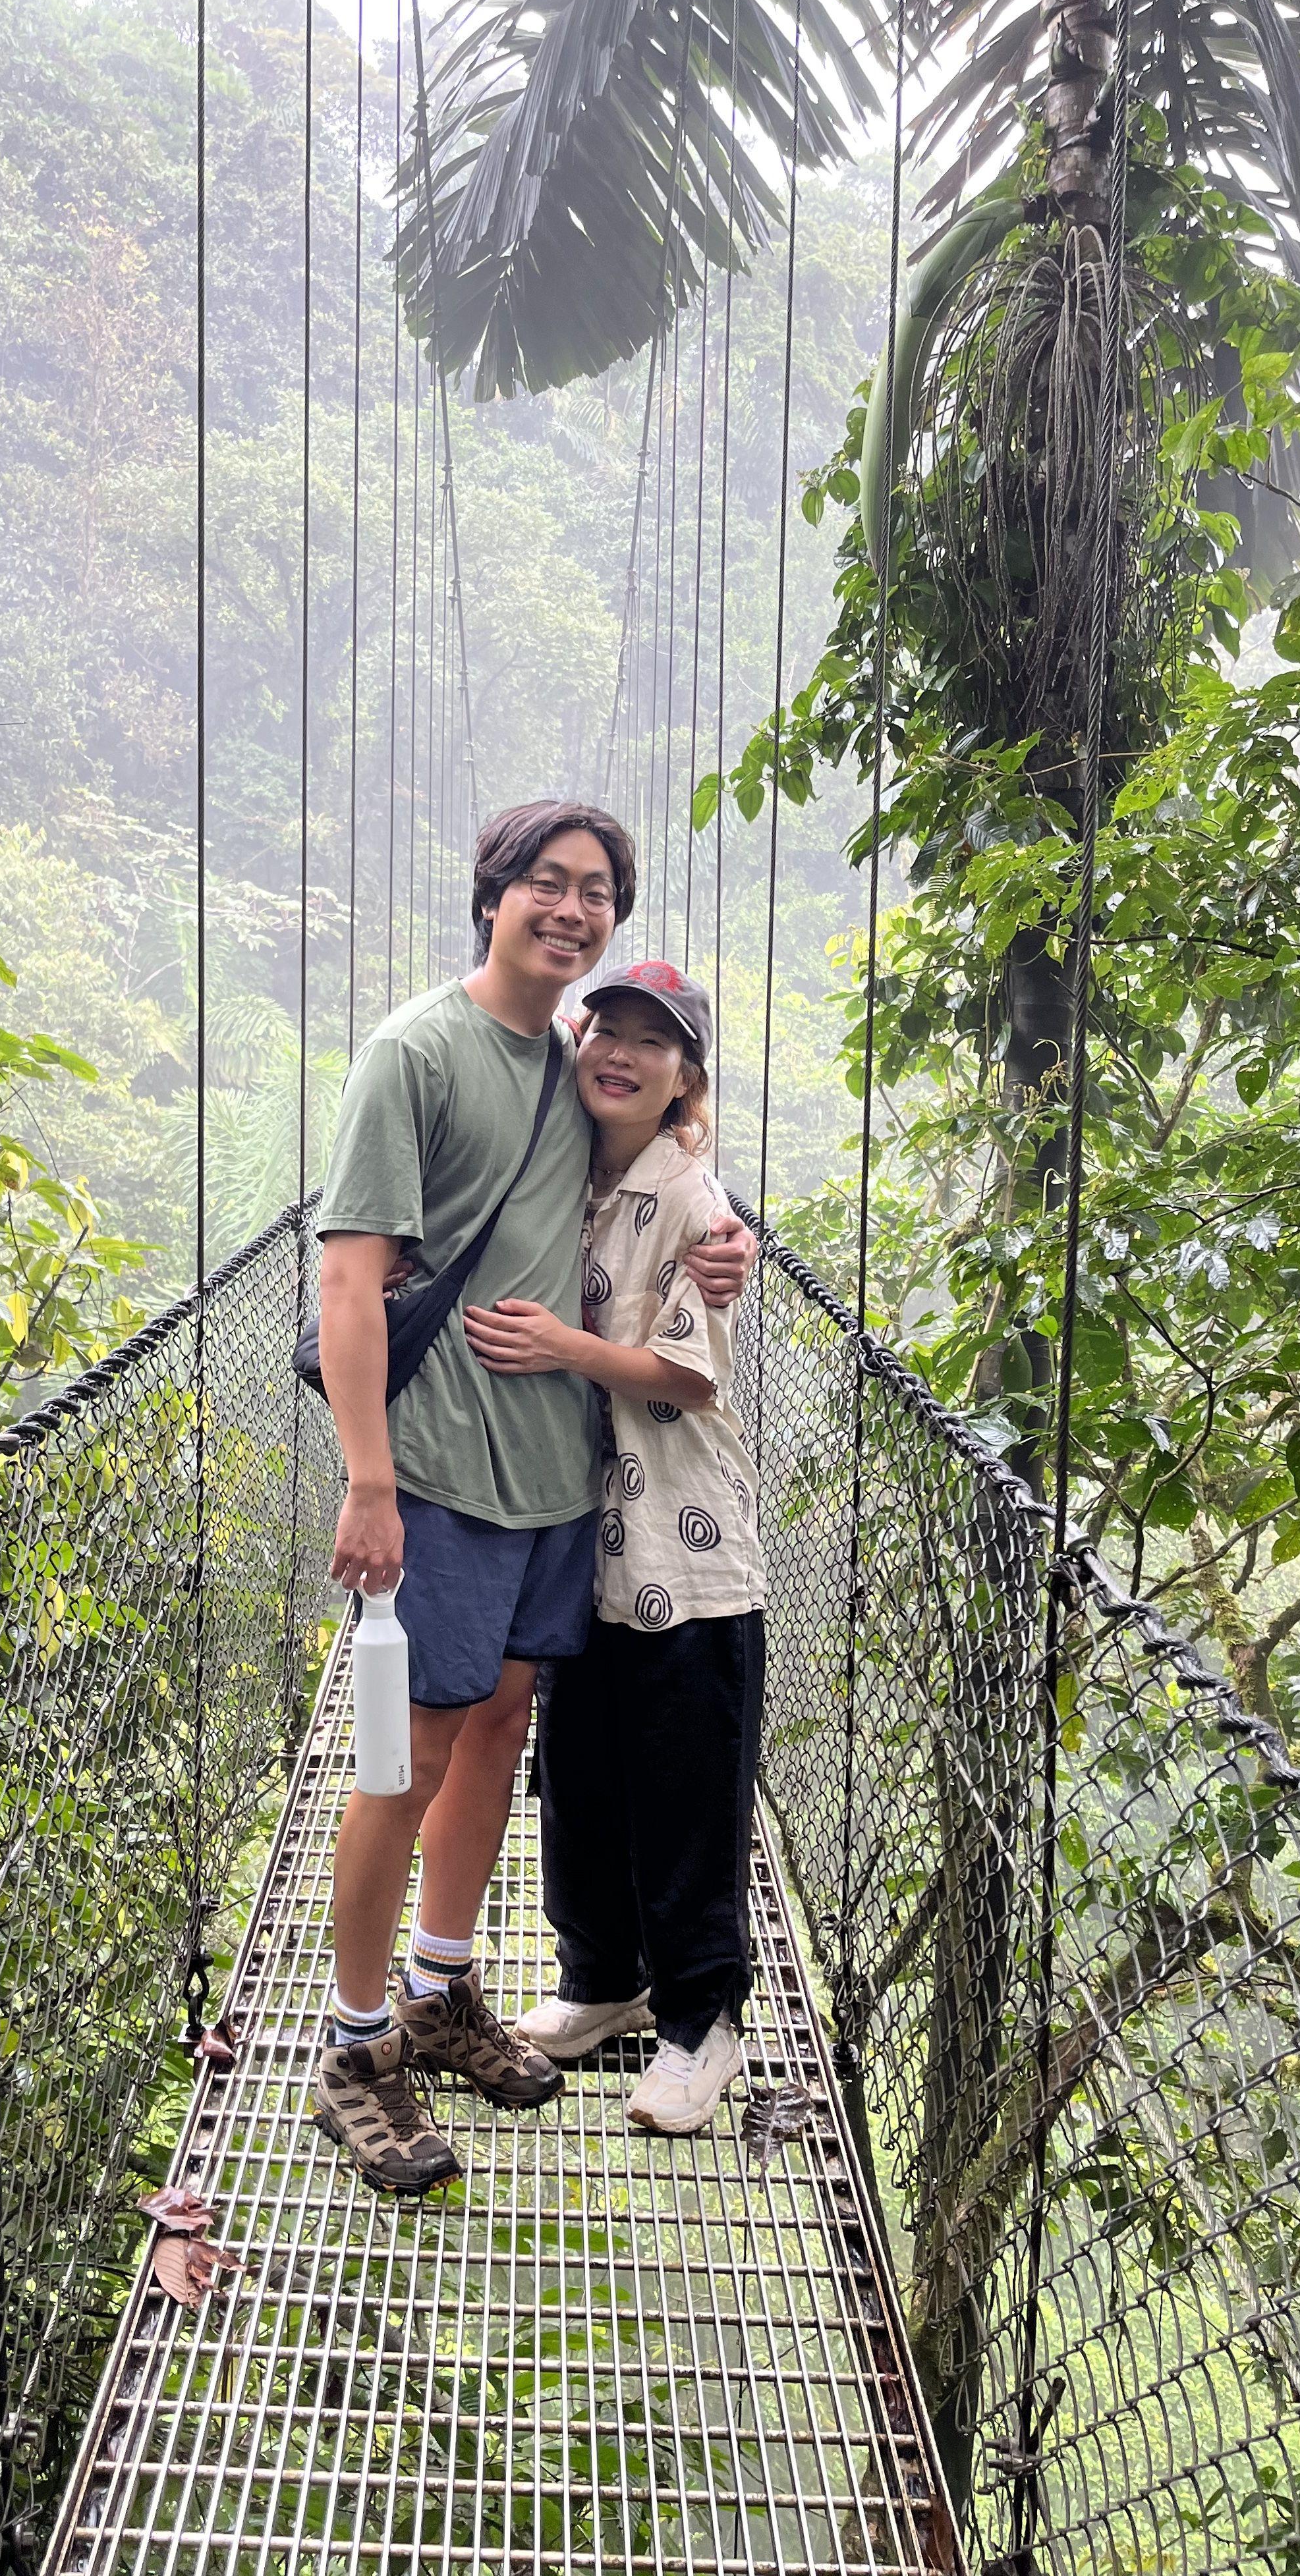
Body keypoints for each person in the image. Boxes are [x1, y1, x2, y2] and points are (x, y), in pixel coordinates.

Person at [306, 804, 754, 2195]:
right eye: (547, 887)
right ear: (493, 895)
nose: (571, 909)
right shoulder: (416, 1052)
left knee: (500, 1730)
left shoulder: (577, 1067)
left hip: (559, 1479)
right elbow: (347, 1277)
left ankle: (446, 1992)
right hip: (436, 1477)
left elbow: (652, 1154)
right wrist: (368, 1480)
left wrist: (722, 1231)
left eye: (597, 893)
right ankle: (356, 2048)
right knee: (410, 1756)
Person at [461, 959, 768, 2135]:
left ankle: (702, 2027)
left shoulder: (697, 1201)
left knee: (687, 1791)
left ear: (686, 1077)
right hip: (577, 1539)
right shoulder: (560, 1164)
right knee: (581, 1779)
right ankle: (604, 1985)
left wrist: (561, 1349)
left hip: (685, 1552)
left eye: (657, 1042)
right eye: (609, 1030)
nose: (624, 1054)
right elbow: (482, 1032)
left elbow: (689, 1374)